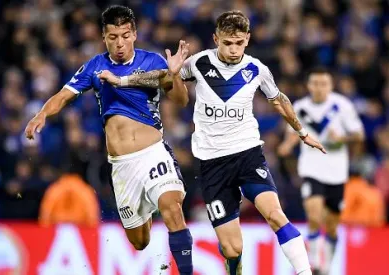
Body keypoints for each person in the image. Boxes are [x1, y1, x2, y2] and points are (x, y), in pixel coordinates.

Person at [100, 10, 325, 275]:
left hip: (247, 155)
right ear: (216, 38)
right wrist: (122, 80)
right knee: (231, 248)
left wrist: (301, 132)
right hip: (212, 165)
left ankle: (304, 272)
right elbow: (161, 77)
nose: (233, 50)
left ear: (248, 40)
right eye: (227, 43)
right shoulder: (199, 63)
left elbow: (280, 100)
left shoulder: (256, 69)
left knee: (275, 214)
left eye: (239, 43)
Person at [24, 5, 194, 275]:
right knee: (140, 242)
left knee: (172, 207)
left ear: (135, 34)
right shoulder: (95, 66)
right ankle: (147, 205)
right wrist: (41, 114)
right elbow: (63, 96)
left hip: (152, 153)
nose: (120, 43)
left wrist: (174, 75)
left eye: (125, 35)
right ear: (104, 38)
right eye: (113, 37)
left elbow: (182, 101)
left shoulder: (154, 62)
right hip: (122, 165)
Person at [278, 67, 365, 275]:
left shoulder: (341, 106)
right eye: (315, 84)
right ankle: (315, 263)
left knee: (332, 226)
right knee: (314, 216)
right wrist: (287, 145)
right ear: (309, 86)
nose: (319, 88)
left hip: (336, 172)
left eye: (323, 84)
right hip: (311, 169)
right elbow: (292, 132)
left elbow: (359, 135)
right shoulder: (299, 107)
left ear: (330, 86)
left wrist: (341, 138)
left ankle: (327, 267)